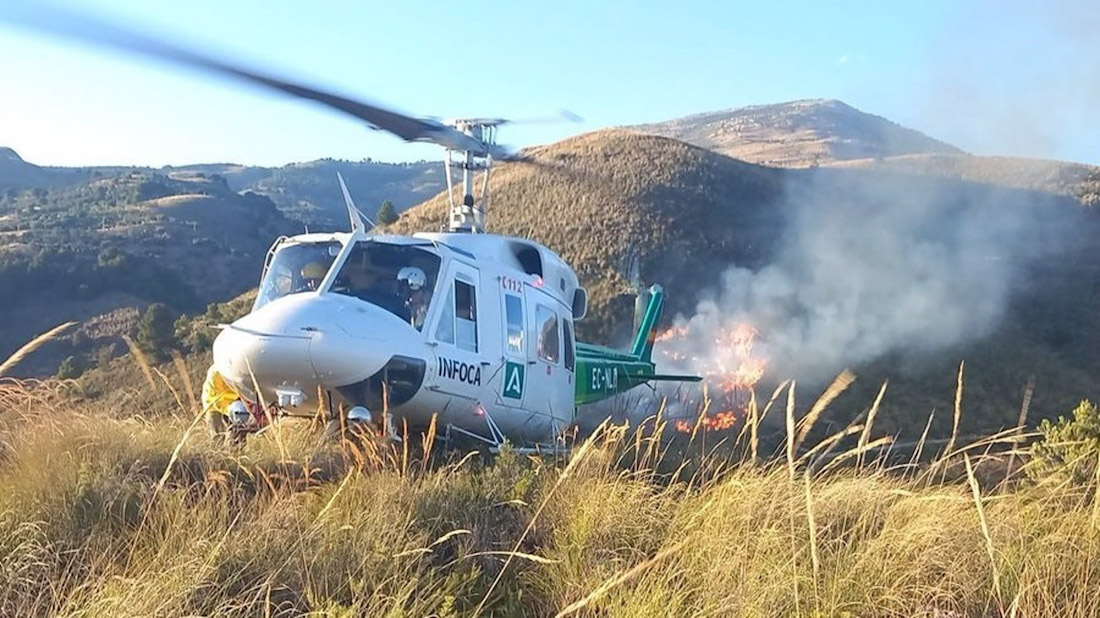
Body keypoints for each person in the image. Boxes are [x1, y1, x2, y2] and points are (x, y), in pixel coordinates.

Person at [201, 365, 241, 440]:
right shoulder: (216, 373)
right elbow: (218, 397)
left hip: (232, 405)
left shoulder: (238, 371)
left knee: (237, 435)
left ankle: (233, 447)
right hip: (213, 406)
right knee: (218, 438)